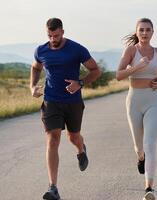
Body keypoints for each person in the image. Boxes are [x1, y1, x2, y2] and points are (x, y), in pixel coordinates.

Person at [30, 18, 101, 200]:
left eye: (56, 35)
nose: (53, 39)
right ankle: (53, 187)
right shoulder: (41, 50)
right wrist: (32, 86)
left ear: (62, 31)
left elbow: (95, 70)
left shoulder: (77, 49)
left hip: (73, 102)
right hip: (51, 101)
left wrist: (80, 83)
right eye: (49, 35)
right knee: (53, 139)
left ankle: (81, 149)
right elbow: (36, 67)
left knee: (73, 136)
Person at [116, 18, 157, 200]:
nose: (144, 33)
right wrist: (137, 66)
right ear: (137, 32)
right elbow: (118, 75)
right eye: (141, 30)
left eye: (148, 30)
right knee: (139, 146)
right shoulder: (131, 51)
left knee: (150, 143)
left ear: (153, 32)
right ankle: (140, 158)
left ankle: (149, 188)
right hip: (134, 100)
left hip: (153, 100)